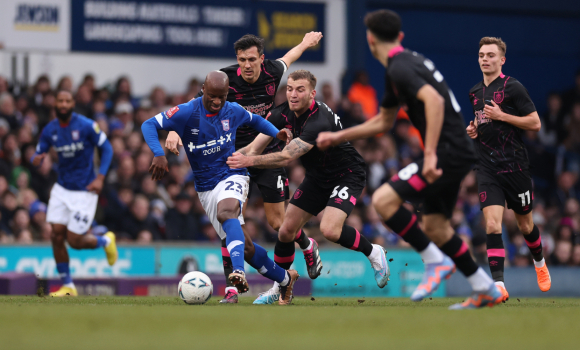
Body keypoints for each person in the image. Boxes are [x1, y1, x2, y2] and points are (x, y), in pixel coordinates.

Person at [316, 9, 502, 310]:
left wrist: (429, 154)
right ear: (399, 37)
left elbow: (435, 101)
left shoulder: (400, 68)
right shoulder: (404, 66)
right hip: (456, 152)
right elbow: (383, 122)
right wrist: (337, 136)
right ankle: (484, 288)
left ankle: (434, 262)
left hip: (447, 151)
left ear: (370, 40)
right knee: (436, 226)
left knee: (384, 200)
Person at [165, 32, 323, 304]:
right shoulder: (223, 80)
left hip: (267, 154)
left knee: (278, 223)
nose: (247, 65)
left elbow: (290, 56)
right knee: (232, 221)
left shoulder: (273, 71)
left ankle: (307, 245)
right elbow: (193, 109)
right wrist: (175, 132)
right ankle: (233, 288)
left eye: (252, 59)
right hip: (234, 158)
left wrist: (307, 43)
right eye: (242, 60)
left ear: (262, 59)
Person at [142, 71, 300, 305]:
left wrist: (275, 132)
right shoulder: (187, 111)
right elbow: (149, 125)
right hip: (205, 187)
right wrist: (158, 153)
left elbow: (255, 120)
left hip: (232, 173)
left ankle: (237, 275)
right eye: (212, 96)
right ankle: (285, 279)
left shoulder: (232, 110)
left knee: (226, 213)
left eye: (222, 97)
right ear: (203, 89)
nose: (217, 101)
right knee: (244, 246)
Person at [227, 70, 390, 295]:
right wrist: (228, 159)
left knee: (330, 230)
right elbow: (254, 147)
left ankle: (373, 252)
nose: (293, 95)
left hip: (347, 173)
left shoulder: (318, 119)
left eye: (300, 90)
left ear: (312, 94)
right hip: (317, 177)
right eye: (290, 89)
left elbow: (286, 156)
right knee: (285, 231)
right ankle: (280, 288)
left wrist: (248, 160)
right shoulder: (280, 113)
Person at [465, 37, 550, 301]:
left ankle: (539, 263)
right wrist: (475, 131)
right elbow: (485, 124)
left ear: (502, 60)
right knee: (492, 224)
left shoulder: (513, 87)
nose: (485, 59)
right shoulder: (474, 92)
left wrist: (503, 116)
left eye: (490, 55)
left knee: (525, 225)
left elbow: (535, 123)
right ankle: (499, 285)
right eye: (481, 55)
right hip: (487, 167)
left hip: (515, 167)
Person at [31, 89, 117, 297]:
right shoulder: (50, 129)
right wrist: (38, 155)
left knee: (75, 241)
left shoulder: (87, 125)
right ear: (55, 104)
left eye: (66, 101)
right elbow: (40, 148)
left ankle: (106, 240)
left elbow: (107, 149)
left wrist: (100, 178)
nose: (63, 104)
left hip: (84, 191)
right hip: (61, 189)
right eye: (59, 100)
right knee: (56, 235)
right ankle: (68, 286)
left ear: (72, 104)